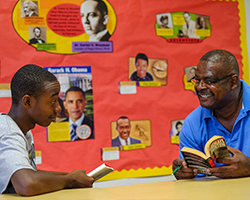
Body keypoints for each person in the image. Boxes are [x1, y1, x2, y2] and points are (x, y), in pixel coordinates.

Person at [0, 64, 94, 196]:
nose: (58, 108)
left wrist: (70, 176)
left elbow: (29, 173)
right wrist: (70, 181)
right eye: (52, 101)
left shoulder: (22, 130)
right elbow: (26, 184)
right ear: (28, 102)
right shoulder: (8, 132)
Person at [172, 49, 250, 180]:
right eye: (197, 80)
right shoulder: (193, 123)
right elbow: (197, 183)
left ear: (233, 82)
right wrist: (184, 173)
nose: (200, 87)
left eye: (210, 81)